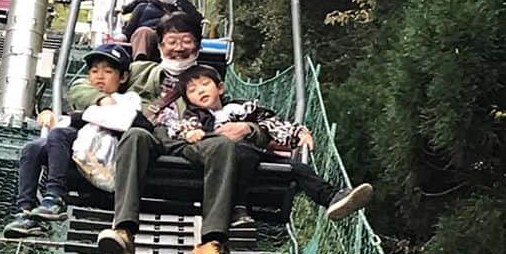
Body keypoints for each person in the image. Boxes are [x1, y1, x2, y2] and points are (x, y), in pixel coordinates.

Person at [68, 11, 246, 254]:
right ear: (160, 46)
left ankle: (211, 242)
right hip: (150, 134)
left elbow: (230, 110)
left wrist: (248, 127)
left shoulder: (205, 79)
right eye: (171, 42)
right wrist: (102, 99)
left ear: (197, 44)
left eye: (186, 41)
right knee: (135, 136)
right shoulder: (140, 72)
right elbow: (80, 86)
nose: (178, 48)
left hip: (188, 136)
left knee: (223, 146)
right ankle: (124, 230)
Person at [159, 63, 374, 225]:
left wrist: (298, 133)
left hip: (252, 158)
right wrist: (192, 133)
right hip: (218, 164)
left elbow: (270, 123)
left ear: (220, 88)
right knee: (241, 150)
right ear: (188, 99)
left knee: (297, 168)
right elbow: (179, 128)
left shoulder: (242, 108)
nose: (201, 91)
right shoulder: (193, 116)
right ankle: (237, 207)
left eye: (205, 84)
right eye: (193, 90)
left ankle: (332, 197)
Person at [3, 44, 137, 239]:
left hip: (103, 157)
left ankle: (54, 197)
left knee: (60, 135)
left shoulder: (126, 100)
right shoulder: (86, 99)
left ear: (123, 77)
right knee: (32, 148)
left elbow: (109, 120)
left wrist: (66, 120)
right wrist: (51, 116)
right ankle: (25, 211)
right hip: (77, 149)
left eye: (108, 71)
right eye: (94, 71)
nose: (100, 76)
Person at [122, 0, 203, 60]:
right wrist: (121, 37)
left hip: (169, 38)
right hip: (147, 35)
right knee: (143, 32)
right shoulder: (143, 7)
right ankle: (140, 61)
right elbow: (128, 30)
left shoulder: (178, 12)